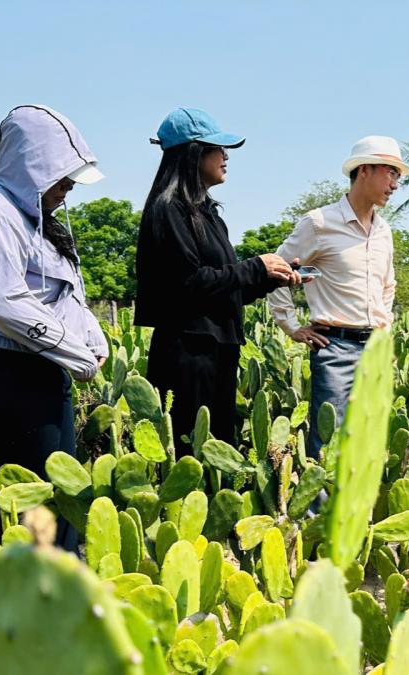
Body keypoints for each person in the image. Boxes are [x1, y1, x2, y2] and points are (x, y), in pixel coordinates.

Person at [0, 105, 108, 553]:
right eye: (61, 178)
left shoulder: (32, 216)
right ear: (32, 168)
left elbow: (60, 295)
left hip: (39, 363)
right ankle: (32, 600)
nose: (67, 189)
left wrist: (91, 339)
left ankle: (60, 587)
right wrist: (75, 353)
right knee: (35, 497)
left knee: (59, 486)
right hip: (9, 368)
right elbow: (5, 302)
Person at [135, 108, 301, 456]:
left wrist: (272, 278)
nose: (226, 156)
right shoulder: (169, 209)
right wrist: (256, 266)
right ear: (193, 153)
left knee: (217, 449)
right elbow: (187, 284)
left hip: (218, 351)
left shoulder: (208, 214)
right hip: (187, 353)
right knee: (190, 451)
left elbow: (223, 287)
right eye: (218, 148)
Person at [268, 136, 406, 459]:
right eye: (391, 173)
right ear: (365, 170)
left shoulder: (384, 231)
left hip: (375, 350)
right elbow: (276, 271)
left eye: (398, 176)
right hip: (335, 351)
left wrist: (384, 332)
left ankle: (359, 512)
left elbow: (389, 286)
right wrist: (291, 326)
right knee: (328, 446)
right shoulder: (319, 223)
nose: (395, 184)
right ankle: (319, 511)